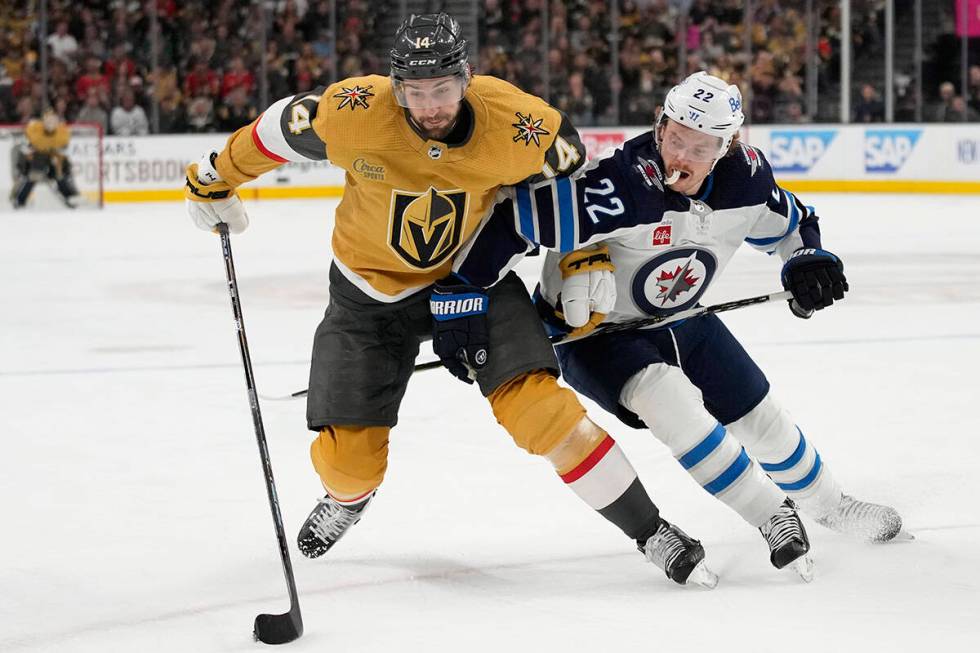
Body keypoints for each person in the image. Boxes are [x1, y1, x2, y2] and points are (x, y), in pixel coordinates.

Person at [183, 14, 715, 587]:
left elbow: (570, 185)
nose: (430, 105)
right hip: (367, 293)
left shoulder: (521, 125)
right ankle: (347, 497)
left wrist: (579, 256)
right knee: (349, 465)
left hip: (472, 280)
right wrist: (217, 176)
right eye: (415, 92)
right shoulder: (354, 111)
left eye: (442, 89)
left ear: (466, 78)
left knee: (542, 411)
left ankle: (650, 529)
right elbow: (278, 129)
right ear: (396, 86)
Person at [453, 72, 905, 574]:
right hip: (598, 338)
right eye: (674, 138)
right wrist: (462, 296)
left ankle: (831, 505)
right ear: (660, 125)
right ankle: (770, 513)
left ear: (729, 145)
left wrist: (805, 258)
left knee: (760, 417)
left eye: (701, 146)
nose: (681, 157)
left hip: (686, 319)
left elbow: (792, 223)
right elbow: (511, 223)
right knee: (668, 401)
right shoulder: (616, 188)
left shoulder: (746, 179)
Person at [10, 109, 79, 209]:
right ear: (43, 121)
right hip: (34, 160)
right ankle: (19, 199)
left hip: (51, 159)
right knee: (34, 175)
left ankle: (70, 196)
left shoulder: (62, 133)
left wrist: (61, 161)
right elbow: (24, 148)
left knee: (59, 174)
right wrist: (29, 153)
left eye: (53, 121)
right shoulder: (33, 129)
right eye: (48, 121)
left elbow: (64, 152)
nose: (50, 124)